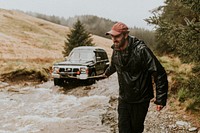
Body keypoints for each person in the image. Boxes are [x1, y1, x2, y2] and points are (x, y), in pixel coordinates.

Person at [104, 22, 168, 133]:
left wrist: (160, 99)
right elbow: (114, 64)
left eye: (117, 36)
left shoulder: (141, 50)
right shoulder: (116, 50)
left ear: (125, 35)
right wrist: (106, 73)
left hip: (140, 99)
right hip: (124, 97)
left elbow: (159, 73)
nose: (114, 39)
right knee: (123, 128)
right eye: (112, 36)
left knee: (136, 129)